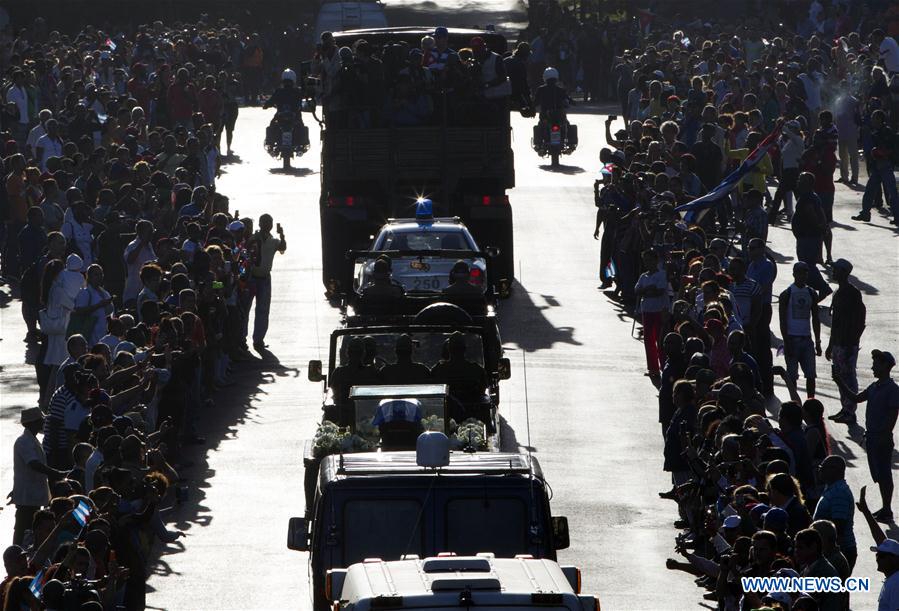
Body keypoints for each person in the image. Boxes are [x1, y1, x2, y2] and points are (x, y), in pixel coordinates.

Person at [834, 350, 899, 522]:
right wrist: (839, 381)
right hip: (872, 437)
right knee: (878, 473)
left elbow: (893, 415)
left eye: (876, 364)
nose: (872, 367)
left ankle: (887, 509)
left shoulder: (892, 389)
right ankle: (885, 508)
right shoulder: (874, 386)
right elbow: (855, 398)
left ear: (886, 366)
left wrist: (884, 435)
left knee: (884, 473)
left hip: (881, 438)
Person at [12, 408, 62, 545]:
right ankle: (16, 555)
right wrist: (54, 473)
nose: (43, 422)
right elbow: (33, 464)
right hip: (27, 496)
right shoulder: (24, 442)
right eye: (41, 420)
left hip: (32, 494)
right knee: (23, 529)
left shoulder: (32, 440)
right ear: (33, 423)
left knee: (31, 529)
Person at [826, 259, 866, 424]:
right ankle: (845, 408)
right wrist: (830, 345)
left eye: (836, 270)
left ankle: (850, 412)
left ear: (844, 272)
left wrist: (852, 343)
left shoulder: (852, 293)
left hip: (847, 343)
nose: (833, 272)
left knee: (848, 377)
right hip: (838, 343)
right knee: (839, 376)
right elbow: (835, 322)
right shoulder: (838, 292)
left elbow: (860, 319)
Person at [778, 262, 822, 398]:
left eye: (805, 272)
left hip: (807, 340)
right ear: (794, 274)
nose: (802, 275)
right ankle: (795, 404)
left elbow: (815, 318)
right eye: (799, 272)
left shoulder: (811, 293)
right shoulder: (787, 293)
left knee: (811, 375)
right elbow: (782, 320)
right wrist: (786, 342)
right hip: (792, 339)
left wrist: (818, 341)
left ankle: (811, 402)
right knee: (792, 376)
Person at [248, 214, 286, 351]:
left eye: (269, 222)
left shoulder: (273, 240)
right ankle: (242, 339)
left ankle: (258, 340)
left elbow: (282, 248)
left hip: (264, 279)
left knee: (263, 310)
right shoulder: (253, 238)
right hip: (251, 278)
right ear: (259, 223)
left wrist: (282, 235)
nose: (267, 225)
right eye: (265, 222)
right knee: (246, 309)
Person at [853, 109, 898, 223]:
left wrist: (879, 152)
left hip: (885, 165)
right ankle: (865, 213)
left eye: (874, 117)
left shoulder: (886, 132)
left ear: (880, 119)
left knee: (892, 191)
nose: (872, 120)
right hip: (878, 165)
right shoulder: (875, 132)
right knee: (870, 190)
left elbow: (890, 149)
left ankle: (897, 216)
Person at [813, 455, 857, 570]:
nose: (819, 470)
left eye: (823, 467)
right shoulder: (832, 487)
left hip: (840, 551)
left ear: (835, 470)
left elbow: (838, 527)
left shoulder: (839, 493)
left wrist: (829, 555)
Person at [635, 249, 669, 383]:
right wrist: (649, 289)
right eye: (645, 261)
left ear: (656, 260)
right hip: (647, 311)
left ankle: (664, 366)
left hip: (660, 311)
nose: (647, 263)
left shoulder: (662, 274)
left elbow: (659, 291)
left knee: (660, 341)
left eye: (650, 260)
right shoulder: (644, 276)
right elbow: (637, 290)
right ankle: (653, 368)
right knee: (649, 341)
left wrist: (646, 291)